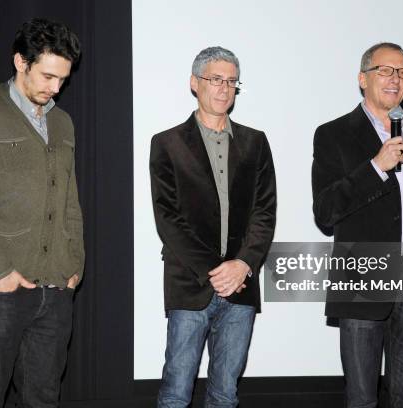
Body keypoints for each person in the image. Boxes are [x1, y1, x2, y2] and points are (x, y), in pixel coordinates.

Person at [311, 42, 403, 407]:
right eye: (385, 70)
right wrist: (376, 166)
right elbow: (326, 211)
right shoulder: (333, 134)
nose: (395, 79)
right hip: (364, 275)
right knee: (361, 399)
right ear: (363, 79)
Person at [0, 18, 84, 407]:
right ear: (20, 62)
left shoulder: (63, 122)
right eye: (47, 75)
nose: (55, 87)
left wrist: (75, 262)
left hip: (56, 289)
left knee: (43, 396)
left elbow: (70, 199)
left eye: (63, 78)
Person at [150, 46, 277, 407]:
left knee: (225, 393)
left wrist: (242, 265)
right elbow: (167, 218)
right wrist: (214, 270)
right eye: (215, 79)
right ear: (195, 83)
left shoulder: (256, 142)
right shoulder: (167, 143)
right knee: (176, 391)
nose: (224, 88)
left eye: (232, 81)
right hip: (190, 285)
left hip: (241, 287)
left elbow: (264, 212)